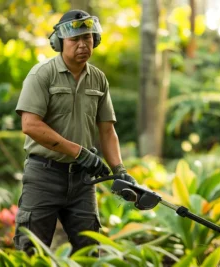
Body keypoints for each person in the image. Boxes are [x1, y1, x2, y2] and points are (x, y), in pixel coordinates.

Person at [14, 9, 136, 254]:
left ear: (95, 41)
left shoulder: (98, 79)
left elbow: (107, 130)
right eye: (75, 39)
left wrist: (120, 170)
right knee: (31, 252)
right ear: (60, 43)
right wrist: (79, 152)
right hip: (44, 176)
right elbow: (30, 125)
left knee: (89, 251)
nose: (82, 44)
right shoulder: (42, 75)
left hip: (83, 181)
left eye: (88, 38)